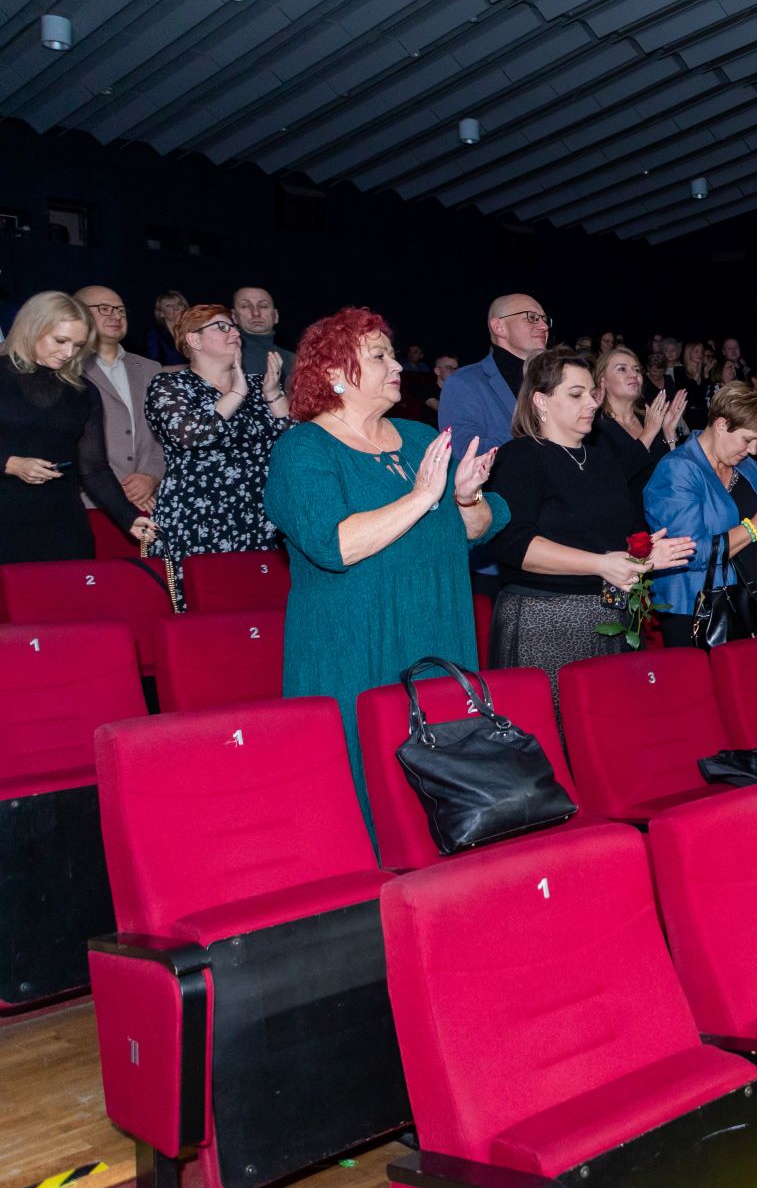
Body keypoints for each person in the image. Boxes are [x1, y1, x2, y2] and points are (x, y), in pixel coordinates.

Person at [263, 308, 505, 809]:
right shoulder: (302, 449)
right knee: (368, 782)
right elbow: (335, 545)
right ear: (334, 372)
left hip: (437, 630)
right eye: (379, 356)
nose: (396, 365)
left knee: (449, 784)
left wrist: (465, 498)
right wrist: (421, 497)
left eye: (393, 355)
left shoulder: (420, 439)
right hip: (356, 643)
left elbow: (475, 530)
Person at [486, 351, 693, 698]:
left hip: (612, 613)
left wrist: (645, 554)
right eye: (575, 394)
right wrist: (600, 564)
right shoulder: (519, 457)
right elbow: (515, 545)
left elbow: (621, 535)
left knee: (611, 723)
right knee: (554, 724)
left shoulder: (602, 460)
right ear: (541, 401)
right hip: (546, 620)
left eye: (592, 393)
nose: (593, 403)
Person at [1, 292, 151, 563]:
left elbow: (93, 468)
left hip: (63, 524)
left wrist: (129, 518)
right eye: (60, 341)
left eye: (78, 345)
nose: (68, 353)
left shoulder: (83, 392)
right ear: (33, 328)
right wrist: (10, 464)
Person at [642, 383, 757, 644]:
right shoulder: (678, 469)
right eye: (748, 439)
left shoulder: (747, 467)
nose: (753, 450)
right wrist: (755, 526)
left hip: (754, 605)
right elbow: (691, 552)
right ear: (721, 425)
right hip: (699, 613)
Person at [145, 303, 292, 565]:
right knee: (203, 589)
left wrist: (273, 394)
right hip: (196, 519)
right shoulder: (171, 385)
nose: (234, 333)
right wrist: (237, 393)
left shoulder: (259, 384)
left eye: (234, 327)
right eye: (222, 327)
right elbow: (189, 434)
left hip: (258, 519)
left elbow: (293, 441)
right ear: (194, 340)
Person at [76, 285, 165, 516]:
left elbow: (166, 435)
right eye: (104, 308)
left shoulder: (150, 369)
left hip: (148, 501)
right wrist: (110, 487)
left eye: (121, 310)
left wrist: (151, 477)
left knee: (150, 545)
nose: (116, 315)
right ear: (77, 313)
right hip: (89, 505)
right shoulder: (66, 368)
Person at [438, 294, 550, 456]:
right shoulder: (464, 383)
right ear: (499, 327)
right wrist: (542, 433)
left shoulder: (556, 379)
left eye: (544, 319)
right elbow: (463, 453)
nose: (544, 326)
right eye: (532, 317)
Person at [592, 345, 683, 495]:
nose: (634, 374)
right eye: (622, 369)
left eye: (636, 370)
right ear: (603, 381)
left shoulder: (649, 419)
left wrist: (669, 433)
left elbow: (676, 474)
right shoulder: (595, 426)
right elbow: (610, 479)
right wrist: (648, 433)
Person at [231, 286, 295, 391]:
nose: (256, 313)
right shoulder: (226, 358)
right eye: (245, 306)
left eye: (263, 306)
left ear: (276, 315)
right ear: (234, 316)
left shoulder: (296, 361)